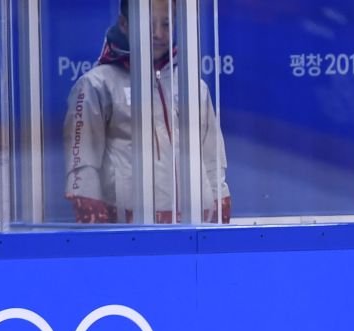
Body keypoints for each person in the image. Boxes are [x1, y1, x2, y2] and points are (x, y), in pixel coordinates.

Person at [63, 0, 231, 224]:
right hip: (128, 227)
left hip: (193, 226)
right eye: (148, 24)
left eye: (166, 25)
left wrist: (219, 203)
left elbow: (212, 157)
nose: (158, 34)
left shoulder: (192, 85)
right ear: (124, 24)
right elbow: (83, 161)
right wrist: (90, 213)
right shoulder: (96, 85)